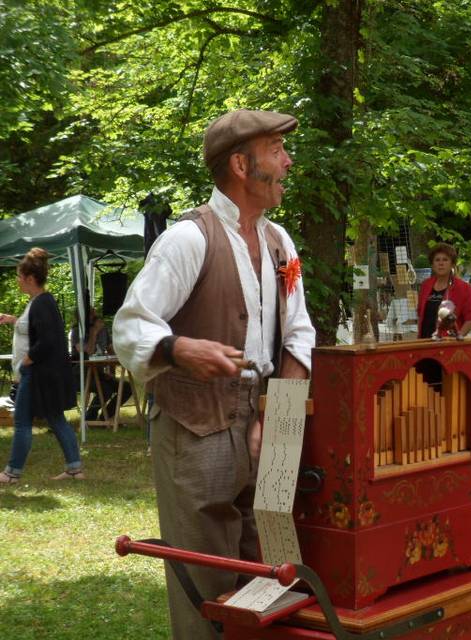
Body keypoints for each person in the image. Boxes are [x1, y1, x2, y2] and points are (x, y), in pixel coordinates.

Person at [113, 109, 316, 640]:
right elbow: (131, 326)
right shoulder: (188, 239)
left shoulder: (282, 244)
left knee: (279, 573)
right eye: (277, 150)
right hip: (198, 422)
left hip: (277, 416)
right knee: (209, 590)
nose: (289, 161)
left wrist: (279, 417)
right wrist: (179, 348)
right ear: (241, 165)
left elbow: (300, 334)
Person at [0, 248, 83, 484]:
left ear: (30, 278)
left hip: (35, 373)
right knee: (55, 418)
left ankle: (11, 473)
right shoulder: (38, 302)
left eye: (19, 277)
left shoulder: (41, 303)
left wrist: (27, 361)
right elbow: (36, 329)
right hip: (37, 372)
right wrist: (14, 321)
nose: (18, 281)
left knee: (22, 422)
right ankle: (75, 469)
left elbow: (47, 340)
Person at [416, 242, 471, 338]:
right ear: (432, 264)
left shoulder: (464, 288)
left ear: (452, 264)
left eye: (445, 260)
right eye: (437, 260)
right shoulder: (425, 285)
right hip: (424, 341)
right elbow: (420, 313)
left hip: (447, 343)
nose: (441, 263)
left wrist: (459, 336)